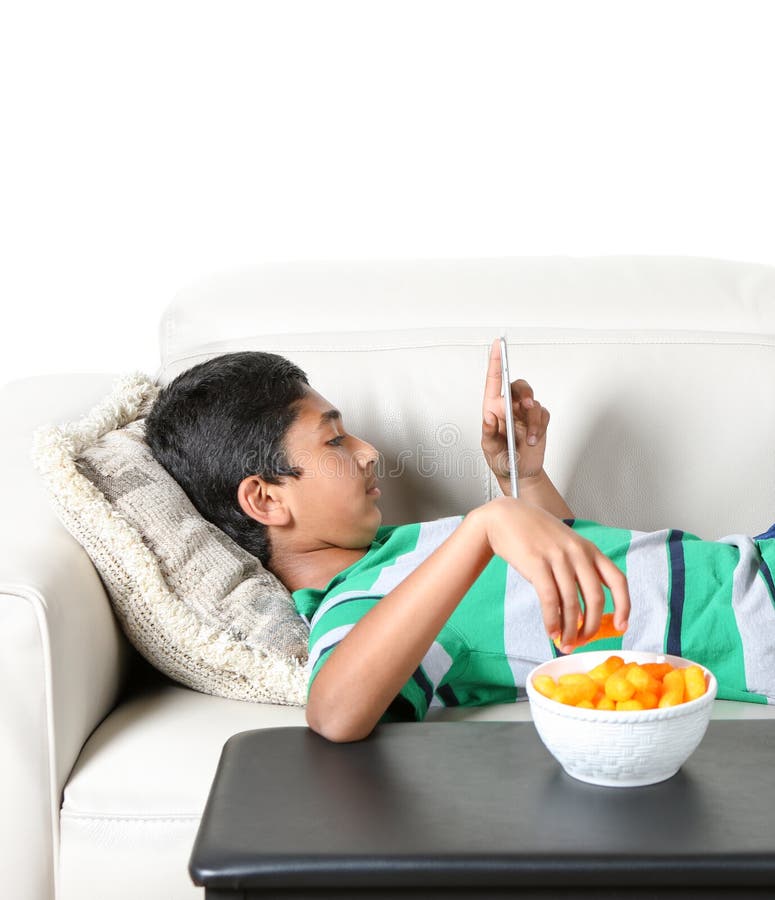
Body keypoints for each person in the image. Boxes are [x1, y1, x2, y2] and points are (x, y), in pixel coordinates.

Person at [144, 344, 775, 743]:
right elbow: (334, 712)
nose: (368, 453)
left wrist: (522, 480)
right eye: (334, 442)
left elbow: (575, 582)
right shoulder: (362, 601)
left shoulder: (399, 549)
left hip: (752, 556)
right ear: (266, 499)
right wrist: (484, 526)